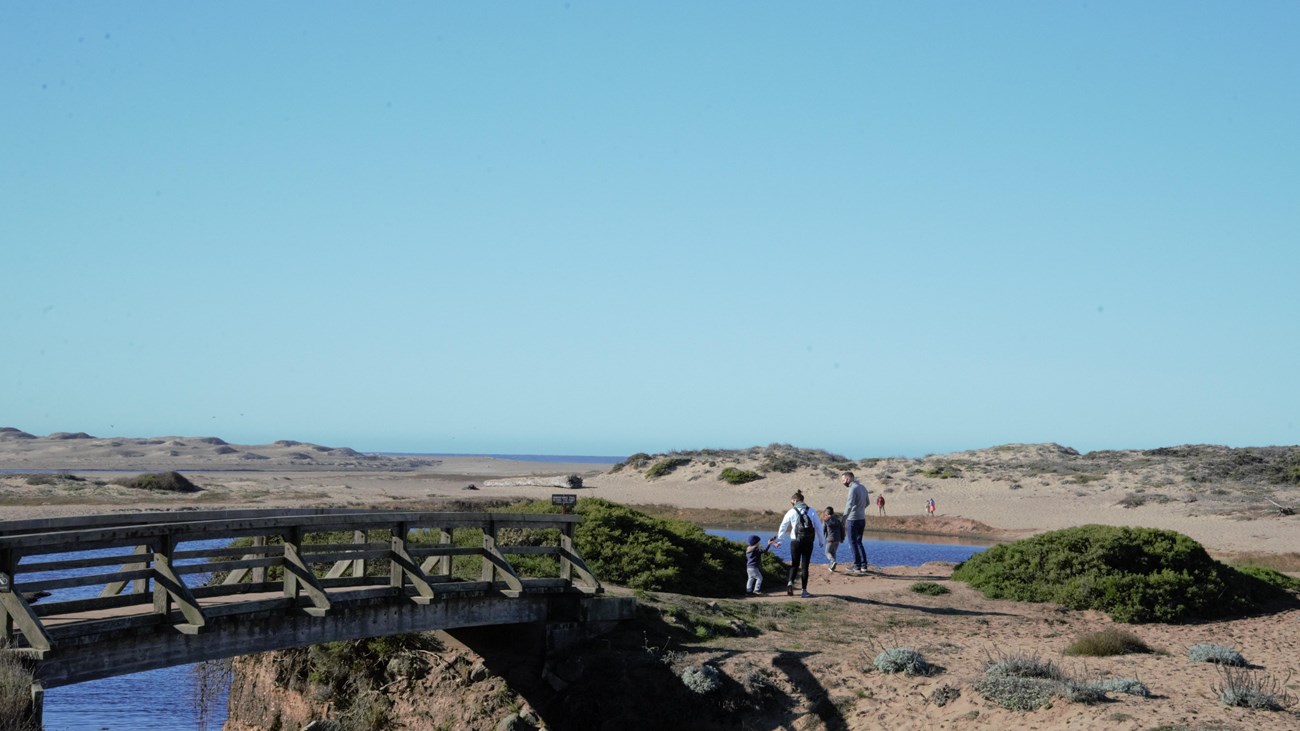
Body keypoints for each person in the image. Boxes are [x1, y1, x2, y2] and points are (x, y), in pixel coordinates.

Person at [777, 490, 822, 597]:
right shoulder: (811, 511)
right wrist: (821, 541)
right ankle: (804, 591)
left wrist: (780, 539)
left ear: (795, 500)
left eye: (791, 501)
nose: (791, 502)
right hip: (808, 542)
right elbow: (819, 527)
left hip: (795, 541)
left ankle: (790, 583)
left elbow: (783, 526)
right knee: (805, 566)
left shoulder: (791, 511)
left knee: (794, 564)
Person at [841, 471, 869, 574]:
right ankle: (864, 565)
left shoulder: (853, 488)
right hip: (862, 519)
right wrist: (860, 509)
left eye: (843, 480)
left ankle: (856, 566)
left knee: (852, 542)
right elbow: (868, 502)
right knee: (859, 542)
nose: (843, 482)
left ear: (848, 479)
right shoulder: (862, 487)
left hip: (853, 519)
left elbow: (849, 505)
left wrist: (844, 519)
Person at [821, 506, 844, 572]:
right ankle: (832, 567)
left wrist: (822, 539)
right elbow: (842, 530)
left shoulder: (826, 520)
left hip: (830, 539)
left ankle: (833, 561)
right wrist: (842, 538)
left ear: (826, 513)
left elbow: (823, 530)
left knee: (827, 552)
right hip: (837, 539)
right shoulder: (837, 520)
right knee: (833, 552)